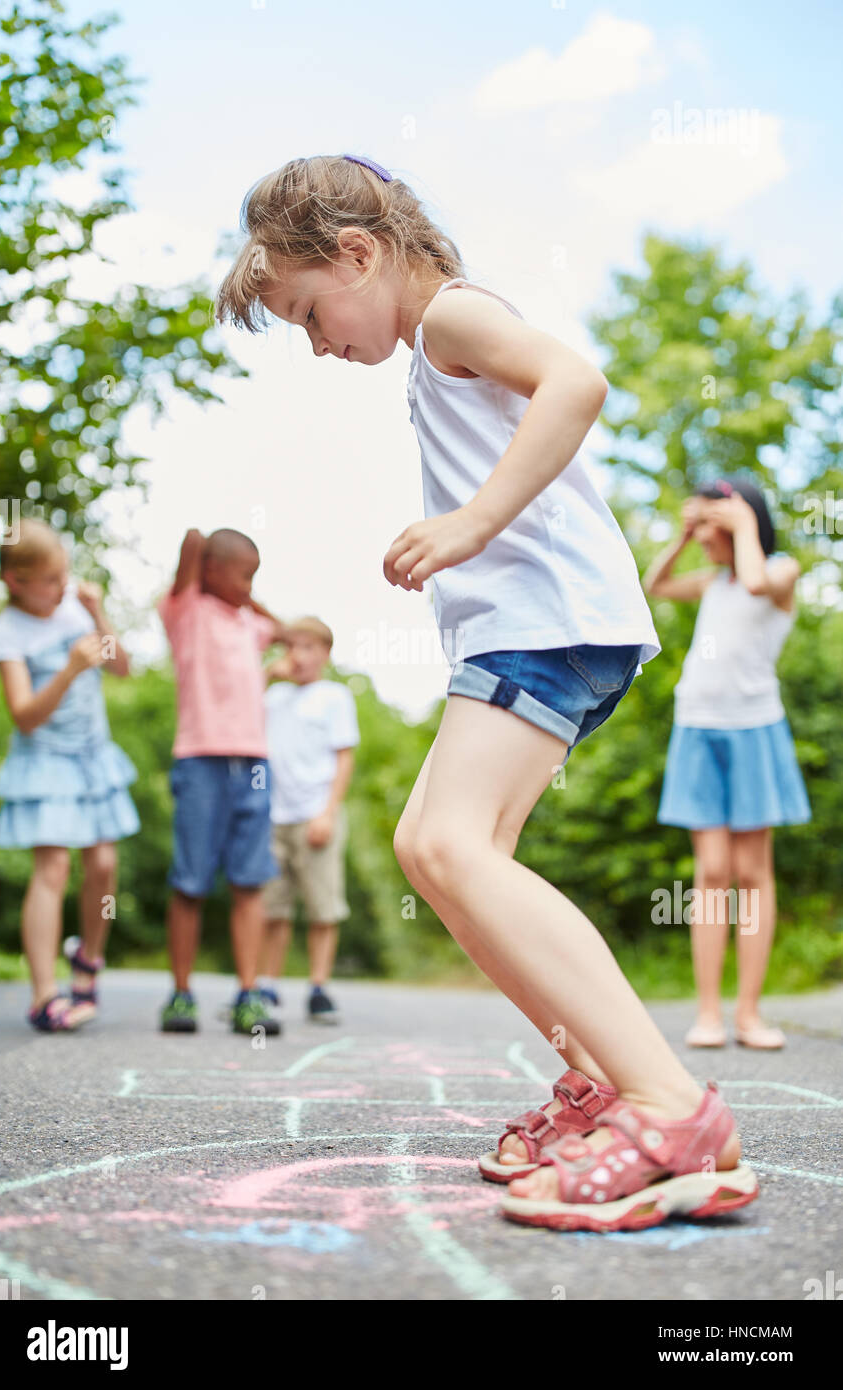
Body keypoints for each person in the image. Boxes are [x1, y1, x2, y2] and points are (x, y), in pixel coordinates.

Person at [214, 152, 759, 1232]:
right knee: (441, 850)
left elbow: (577, 381)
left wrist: (471, 525)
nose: (319, 343)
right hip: (538, 632)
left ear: (359, 253)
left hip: (548, 626)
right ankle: (608, 1082)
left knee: (449, 847)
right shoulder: (435, 345)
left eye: (309, 312)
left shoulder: (454, 316)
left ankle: (666, 1104)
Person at [645, 478, 810, 1051]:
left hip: (755, 729)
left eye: (714, 525)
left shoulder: (782, 570)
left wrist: (741, 525)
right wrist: (685, 534)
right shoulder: (712, 582)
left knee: (751, 873)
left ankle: (748, 1014)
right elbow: (655, 584)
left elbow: (760, 579)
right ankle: (710, 1013)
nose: (707, 538)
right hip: (699, 727)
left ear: (743, 519)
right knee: (711, 872)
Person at [0, 518, 138, 1031]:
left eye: (65, 575)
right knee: (52, 870)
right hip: (45, 764)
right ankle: (44, 995)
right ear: (15, 582)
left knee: (105, 866)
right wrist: (69, 669)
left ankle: (87, 961)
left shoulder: (74, 605)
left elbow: (122, 667)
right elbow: (23, 714)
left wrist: (97, 613)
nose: (61, 587)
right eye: (50, 580)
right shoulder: (9, 632)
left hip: (92, 758)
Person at [157, 527, 286, 1036]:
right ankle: (181, 993)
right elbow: (190, 538)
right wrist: (207, 556)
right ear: (211, 570)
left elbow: (289, 631)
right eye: (245, 573)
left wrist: (248, 593)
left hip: (253, 763)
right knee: (189, 882)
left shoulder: (247, 622)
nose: (251, 585)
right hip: (200, 760)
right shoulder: (185, 612)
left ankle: (248, 993)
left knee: (249, 881)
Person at [259, 617, 360, 1025]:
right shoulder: (274, 695)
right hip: (272, 816)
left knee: (322, 906)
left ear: (325, 653)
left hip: (315, 814)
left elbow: (344, 756)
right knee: (272, 906)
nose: (298, 656)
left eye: (308, 648)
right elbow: (236, 711)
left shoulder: (334, 697)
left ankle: (318, 986)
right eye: (292, 647)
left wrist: (328, 812)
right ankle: (266, 984)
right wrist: (265, 674)